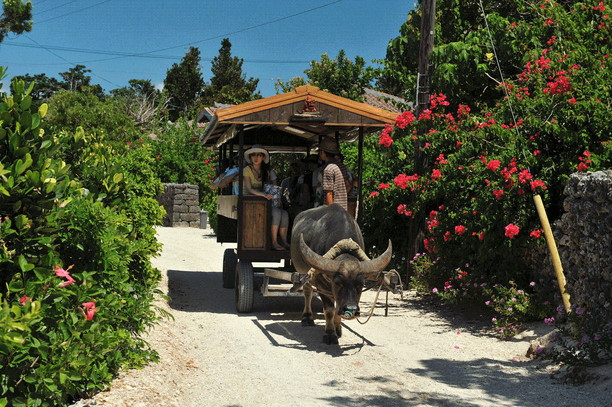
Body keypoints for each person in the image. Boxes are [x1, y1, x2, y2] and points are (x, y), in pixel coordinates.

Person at [243, 145, 290, 250]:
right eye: (253, 155)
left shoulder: (268, 172)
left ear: (263, 158)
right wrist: (263, 194)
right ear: (250, 157)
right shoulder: (246, 170)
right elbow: (250, 189)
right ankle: (274, 242)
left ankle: (284, 241)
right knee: (277, 213)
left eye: (259, 155)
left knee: (285, 214)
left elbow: (275, 187)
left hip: (267, 202)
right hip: (251, 202)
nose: (256, 158)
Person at [318, 137, 348, 211]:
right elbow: (348, 185)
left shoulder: (328, 169)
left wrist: (330, 213)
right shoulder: (341, 166)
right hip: (343, 210)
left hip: (334, 213)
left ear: (323, 152)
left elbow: (329, 194)